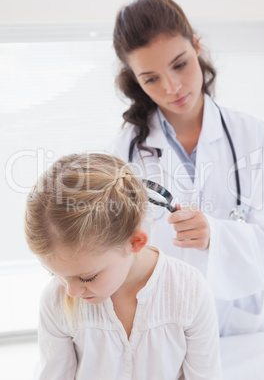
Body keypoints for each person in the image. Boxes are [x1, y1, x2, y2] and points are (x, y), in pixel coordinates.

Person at [108, 0, 264, 337]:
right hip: (160, 329)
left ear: (196, 46)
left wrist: (217, 235)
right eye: (151, 78)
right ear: (136, 80)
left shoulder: (255, 136)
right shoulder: (122, 153)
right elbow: (113, 250)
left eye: (179, 64)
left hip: (240, 328)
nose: (172, 87)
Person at [25, 153, 221, 380]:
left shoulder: (189, 290)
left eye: (87, 278)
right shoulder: (55, 299)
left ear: (135, 243)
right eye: (55, 273)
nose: (71, 291)